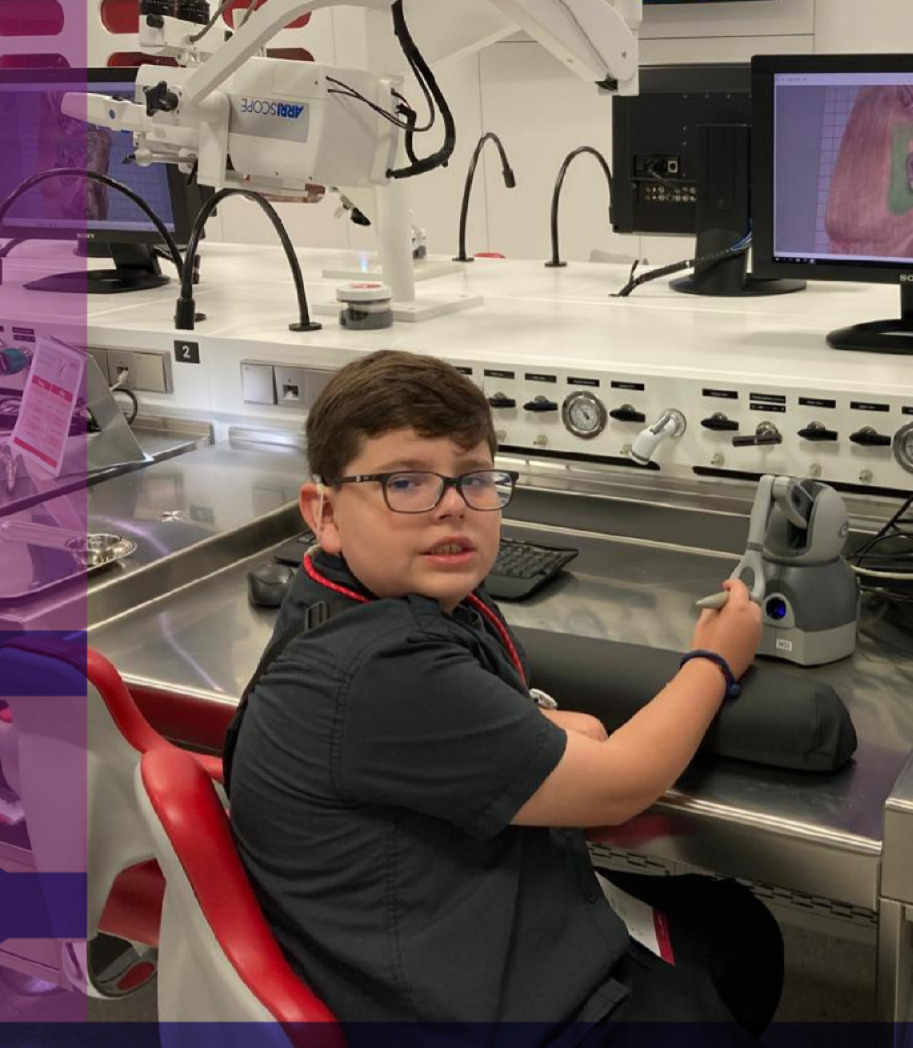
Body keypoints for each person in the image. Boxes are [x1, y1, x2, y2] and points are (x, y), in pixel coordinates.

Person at [226, 349, 782, 1044]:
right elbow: (621, 788)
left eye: (474, 480)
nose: (452, 508)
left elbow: (461, 717)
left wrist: (530, 725)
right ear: (325, 511)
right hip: (469, 1007)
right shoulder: (379, 670)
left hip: (449, 917)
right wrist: (716, 657)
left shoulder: (349, 593)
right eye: (406, 483)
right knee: (724, 972)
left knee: (738, 931)